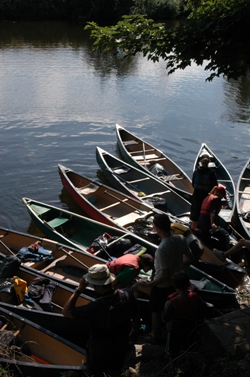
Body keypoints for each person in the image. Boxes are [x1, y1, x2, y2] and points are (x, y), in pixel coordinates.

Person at [62, 264, 140, 377]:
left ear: (97, 286)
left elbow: (66, 312)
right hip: (121, 344)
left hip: (100, 350)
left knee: (93, 373)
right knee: (115, 371)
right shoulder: (127, 294)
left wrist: (79, 290)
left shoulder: (95, 307)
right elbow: (136, 316)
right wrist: (133, 335)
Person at [132, 213, 194, 344]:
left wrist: (149, 284)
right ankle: (166, 327)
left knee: (155, 309)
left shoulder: (162, 249)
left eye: (154, 226)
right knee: (170, 306)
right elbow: (190, 257)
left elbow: (164, 275)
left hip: (162, 285)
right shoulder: (180, 238)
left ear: (158, 228)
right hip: (176, 282)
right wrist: (180, 269)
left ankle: (155, 334)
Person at [162, 271, 208, 360]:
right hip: (190, 326)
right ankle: (187, 359)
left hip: (175, 329)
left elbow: (165, 319)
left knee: (172, 350)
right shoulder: (195, 296)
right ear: (188, 284)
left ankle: (171, 361)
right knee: (188, 345)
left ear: (175, 286)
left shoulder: (172, 302)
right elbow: (203, 309)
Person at [197, 184, 230, 250]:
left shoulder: (207, 197)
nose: (221, 197)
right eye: (222, 196)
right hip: (208, 223)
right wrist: (213, 223)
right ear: (218, 193)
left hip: (200, 221)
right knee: (225, 235)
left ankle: (211, 248)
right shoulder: (217, 200)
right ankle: (225, 253)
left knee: (207, 237)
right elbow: (213, 212)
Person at [190, 154, 218, 231]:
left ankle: (193, 228)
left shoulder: (196, 171)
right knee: (204, 212)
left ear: (200, 162)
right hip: (206, 195)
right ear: (209, 162)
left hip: (196, 194)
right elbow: (215, 185)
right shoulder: (211, 172)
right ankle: (202, 227)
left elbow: (193, 184)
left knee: (195, 211)